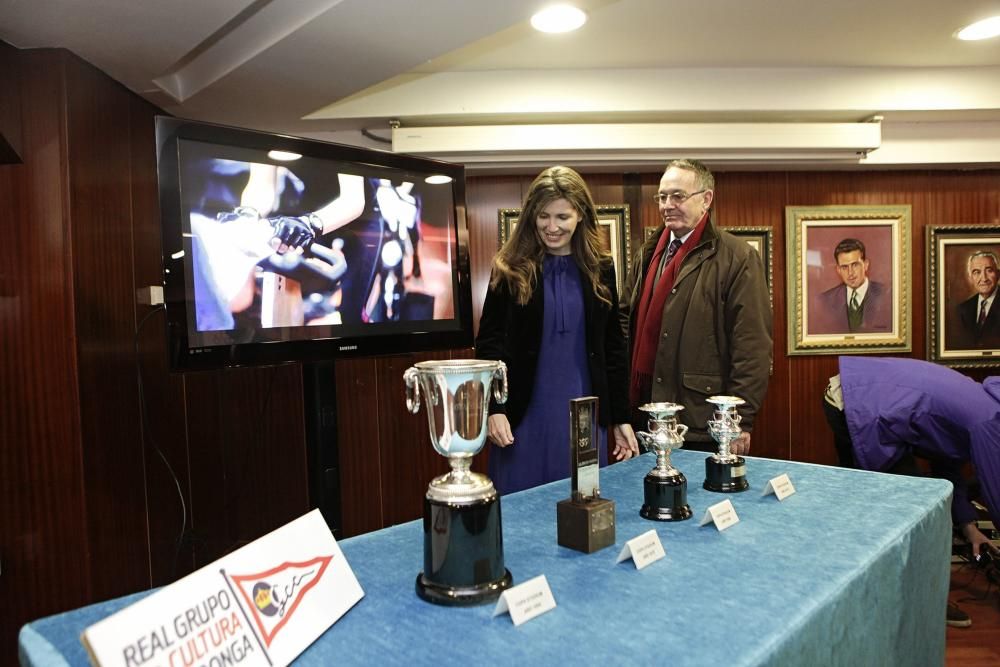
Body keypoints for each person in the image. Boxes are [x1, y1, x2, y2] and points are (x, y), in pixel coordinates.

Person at [475, 166, 639, 495]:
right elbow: (489, 347)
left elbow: (613, 349)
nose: (552, 227)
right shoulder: (508, 268)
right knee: (521, 516)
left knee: (584, 514)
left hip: (585, 420)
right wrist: (495, 409)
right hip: (522, 418)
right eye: (543, 216)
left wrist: (620, 418)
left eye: (562, 217)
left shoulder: (601, 268)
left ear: (580, 215)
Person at [822, 356, 1000, 627]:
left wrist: (968, 525)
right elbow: (996, 494)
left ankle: (851, 591)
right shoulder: (988, 420)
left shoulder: (980, 400)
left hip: (855, 391)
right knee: (919, 516)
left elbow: (947, 465)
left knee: (865, 506)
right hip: (861, 404)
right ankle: (924, 601)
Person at [625, 159, 771, 454]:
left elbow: (752, 346)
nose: (667, 204)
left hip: (703, 420)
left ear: (706, 200)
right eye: (662, 196)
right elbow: (624, 324)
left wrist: (740, 421)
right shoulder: (647, 255)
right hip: (646, 415)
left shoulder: (738, 257)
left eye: (678, 196)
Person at [815, 238, 891, 334]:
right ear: (838, 270)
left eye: (855, 265)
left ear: (866, 265)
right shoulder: (824, 301)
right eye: (844, 267)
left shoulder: (888, 295)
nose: (850, 273)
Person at [955, 250, 1000, 349]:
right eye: (977, 272)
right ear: (970, 278)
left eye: (989, 270)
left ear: (998, 274)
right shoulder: (963, 309)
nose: (984, 278)